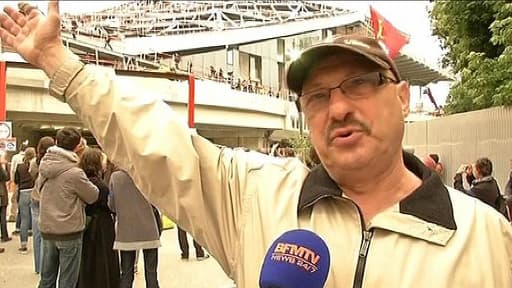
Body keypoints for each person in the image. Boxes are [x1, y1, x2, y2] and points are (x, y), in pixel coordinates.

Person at [1, 3, 511, 287]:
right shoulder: (254, 195)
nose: (337, 109)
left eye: (358, 84)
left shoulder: (486, 239)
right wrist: (59, 64)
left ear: (401, 98)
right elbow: (153, 140)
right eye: (316, 96)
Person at [37, 127, 99, 288]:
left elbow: (38, 191)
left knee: (46, 279)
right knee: (67, 282)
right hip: (69, 232)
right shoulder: (74, 173)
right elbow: (93, 195)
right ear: (78, 145)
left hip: (47, 229)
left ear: (56, 141)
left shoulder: (44, 165)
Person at [109, 169, 161, 288]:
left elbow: (112, 205)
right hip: (149, 230)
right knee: (151, 273)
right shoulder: (147, 174)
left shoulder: (115, 177)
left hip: (126, 231)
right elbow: (158, 200)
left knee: (126, 274)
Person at [77, 148, 119, 288]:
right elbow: (110, 205)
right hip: (101, 226)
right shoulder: (101, 185)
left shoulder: (81, 180)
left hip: (86, 224)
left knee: (87, 261)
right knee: (103, 261)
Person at [29, 136, 55, 274]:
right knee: (47, 235)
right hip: (48, 199)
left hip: (35, 196)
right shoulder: (53, 161)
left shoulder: (35, 162)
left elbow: (32, 174)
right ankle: (46, 266)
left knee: (37, 234)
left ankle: (38, 267)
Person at [14, 146, 36, 254]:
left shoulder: (20, 166)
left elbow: (16, 181)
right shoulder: (35, 165)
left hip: (23, 192)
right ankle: (37, 244)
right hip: (34, 191)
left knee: (24, 219)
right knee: (36, 217)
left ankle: (23, 245)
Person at [0, 152, 11, 243]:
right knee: (2, 215)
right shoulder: (1, 167)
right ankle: (4, 235)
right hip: (1, 193)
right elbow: (6, 177)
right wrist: (4, 166)